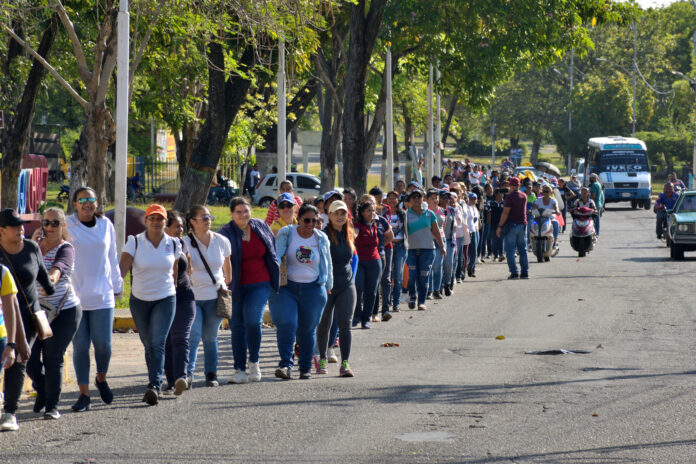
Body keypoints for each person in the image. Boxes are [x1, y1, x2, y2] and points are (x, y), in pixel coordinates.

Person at [66, 187, 122, 413]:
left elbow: (113, 257)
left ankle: (101, 378)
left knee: (104, 345)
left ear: (97, 203)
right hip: (75, 296)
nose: (87, 204)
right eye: (82, 200)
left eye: (91, 199)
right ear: (75, 204)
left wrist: (117, 285)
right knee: (80, 346)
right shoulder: (67, 224)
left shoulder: (106, 225)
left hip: (103, 295)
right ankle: (84, 394)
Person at [119, 205, 180, 405]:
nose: (155, 222)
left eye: (159, 219)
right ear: (145, 221)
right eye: (151, 218)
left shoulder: (173, 243)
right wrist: (115, 287)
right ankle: (154, 381)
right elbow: (124, 267)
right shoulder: (134, 242)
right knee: (148, 344)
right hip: (140, 300)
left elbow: (175, 269)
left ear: (165, 222)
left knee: (157, 343)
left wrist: (174, 289)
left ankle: (154, 385)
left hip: (165, 297)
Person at [0, 209, 55, 431]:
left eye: (22, 225)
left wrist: (52, 287)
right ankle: (43, 388)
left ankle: (10, 412)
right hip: (3, 317)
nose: (21, 229)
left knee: (19, 360)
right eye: (15, 226)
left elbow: (42, 275)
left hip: (29, 316)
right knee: (23, 361)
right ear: (1, 230)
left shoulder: (32, 248)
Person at [27, 207, 82, 420]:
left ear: (63, 226)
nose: (49, 227)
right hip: (37, 311)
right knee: (28, 356)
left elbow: (58, 269)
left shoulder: (66, 248)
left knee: (52, 356)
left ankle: (52, 406)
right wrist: (31, 246)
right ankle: (42, 388)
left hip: (64, 311)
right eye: (46, 223)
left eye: (55, 223)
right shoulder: (34, 247)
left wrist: (50, 279)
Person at [218, 197, 279, 384]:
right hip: (235, 286)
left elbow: (272, 250)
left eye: (246, 211)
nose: (243, 215)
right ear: (231, 214)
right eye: (238, 212)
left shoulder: (260, 226)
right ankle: (239, 369)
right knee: (236, 326)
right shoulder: (225, 233)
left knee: (253, 322)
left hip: (260, 283)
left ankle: (254, 362)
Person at [270, 204, 332, 380]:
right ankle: (285, 365)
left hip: (313, 288)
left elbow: (327, 262)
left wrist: (328, 284)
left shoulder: (321, 238)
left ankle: (305, 367)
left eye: (315, 220)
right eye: (306, 220)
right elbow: (276, 257)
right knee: (287, 323)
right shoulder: (287, 233)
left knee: (307, 329)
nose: (310, 224)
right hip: (287, 288)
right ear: (299, 218)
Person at [183, 206, 232, 387]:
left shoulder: (222, 241)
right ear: (192, 222)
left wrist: (224, 286)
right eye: (203, 217)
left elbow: (228, 269)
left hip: (214, 296)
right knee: (194, 335)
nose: (208, 219)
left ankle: (211, 373)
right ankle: (187, 375)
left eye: (209, 216)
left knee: (210, 337)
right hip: (193, 296)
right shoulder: (184, 242)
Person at [316, 201, 357, 377]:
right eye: (336, 213)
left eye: (343, 213)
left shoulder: (349, 233)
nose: (340, 216)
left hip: (347, 284)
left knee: (345, 325)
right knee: (324, 323)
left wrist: (352, 277)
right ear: (329, 215)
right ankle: (322, 358)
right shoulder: (322, 235)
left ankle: (345, 363)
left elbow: (353, 258)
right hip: (327, 286)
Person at [162, 211, 195, 396]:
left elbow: (187, 266)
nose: (181, 229)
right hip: (162, 298)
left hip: (185, 297)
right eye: (177, 226)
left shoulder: (182, 243)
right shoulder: (154, 247)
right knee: (166, 341)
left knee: (181, 337)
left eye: (182, 226)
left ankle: (181, 378)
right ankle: (170, 382)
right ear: (165, 227)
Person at [405, 190, 445, 311]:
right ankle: (412, 295)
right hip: (411, 250)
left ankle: (421, 302)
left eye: (419, 197)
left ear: (423, 199)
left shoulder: (430, 214)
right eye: (414, 197)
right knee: (411, 276)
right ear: (410, 200)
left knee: (424, 276)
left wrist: (442, 246)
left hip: (427, 250)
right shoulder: (406, 215)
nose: (416, 199)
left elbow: (436, 231)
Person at [352, 198, 382, 329]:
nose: (371, 213)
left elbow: (387, 237)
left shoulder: (375, 225)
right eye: (368, 211)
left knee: (372, 291)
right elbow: (352, 238)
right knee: (358, 289)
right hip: (360, 261)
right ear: (362, 212)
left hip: (375, 261)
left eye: (373, 211)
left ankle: (366, 318)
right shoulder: (357, 226)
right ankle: (357, 315)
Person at [496, 177, 529, 280]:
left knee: (510, 250)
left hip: (511, 225)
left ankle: (514, 272)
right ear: (519, 185)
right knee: (522, 249)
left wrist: (500, 226)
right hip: (522, 225)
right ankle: (525, 272)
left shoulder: (509, 197)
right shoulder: (524, 195)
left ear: (510, 185)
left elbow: (505, 213)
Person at [386, 190, 408, 313]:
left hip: (400, 246)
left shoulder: (403, 214)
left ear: (398, 200)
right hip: (387, 246)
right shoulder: (383, 214)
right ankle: (387, 302)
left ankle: (396, 303)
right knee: (387, 275)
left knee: (398, 276)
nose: (392, 200)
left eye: (394, 198)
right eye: (389, 198)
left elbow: (407, 230)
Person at [426, 189, 446, 299]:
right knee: (429, 266)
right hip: (428, 242)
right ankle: (429, 290)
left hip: (440, 240)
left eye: (436, 198)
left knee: (437, 266)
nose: (435, 200)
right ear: (427, 200)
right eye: (432, 198)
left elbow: (443, 225)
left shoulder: (443, 211)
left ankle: (437, 290)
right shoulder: (424, 212)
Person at [487, 189, 506, 261]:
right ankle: (495, 255)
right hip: (493, 224)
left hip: (501, 224)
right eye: (500, 194)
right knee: (494, 240)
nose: (502, 195)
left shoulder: (505, 203)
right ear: (496, 195)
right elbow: (489, 214)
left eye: (502, 194)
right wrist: (489, 223)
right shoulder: (491, 203)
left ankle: (501, 254)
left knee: (501, 239)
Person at [466, 193, 481, 278]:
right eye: (471, 199)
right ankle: (469, 268)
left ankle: (472, 269)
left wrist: (479, 223)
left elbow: (477, 218)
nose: (473, 200)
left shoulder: (475, 208)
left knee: (475, 251)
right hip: (470, 231)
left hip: (476, 231)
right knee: (472, 252)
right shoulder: (467, 208)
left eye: (475, 198)